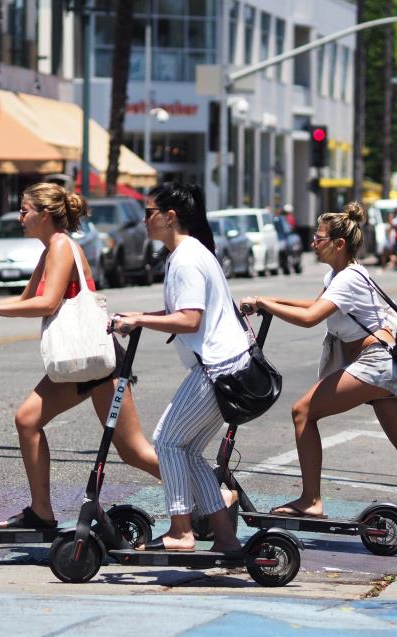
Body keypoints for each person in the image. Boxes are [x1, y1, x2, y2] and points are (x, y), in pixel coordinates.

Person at [239, 202, 397, 552]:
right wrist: (265, 299)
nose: (313, 242)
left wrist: (265, 306)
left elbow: (311, 317)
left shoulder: (348, 279)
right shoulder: (341, 276)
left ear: (339, 243)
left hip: (376, 364)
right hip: (385, 367)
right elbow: (312, 304)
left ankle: (311, 500)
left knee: (302, 411)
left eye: (319, 237)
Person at [0, 182, 159, 529]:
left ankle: (212, 495)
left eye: (25, 211)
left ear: (45, 214)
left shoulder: (62, 246)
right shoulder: (50, 248)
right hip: (76, 363)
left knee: (133, 450)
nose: (20, 217)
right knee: (27, 419)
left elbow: (48, 302)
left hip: (96, 360)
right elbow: (25, 301)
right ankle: (41, 512)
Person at [112, 182, 246, 554]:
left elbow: (188, 320)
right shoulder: (186, 254)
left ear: (170, 217)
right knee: (186, 451)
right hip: (226, 368)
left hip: (217, 369)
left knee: (166, 441)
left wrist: (140, 321)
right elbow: (181, 315)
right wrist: (138, 317)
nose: (143, 220)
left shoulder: (187, 258)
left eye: (149, 212)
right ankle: (226, 537)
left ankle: (181, 530)